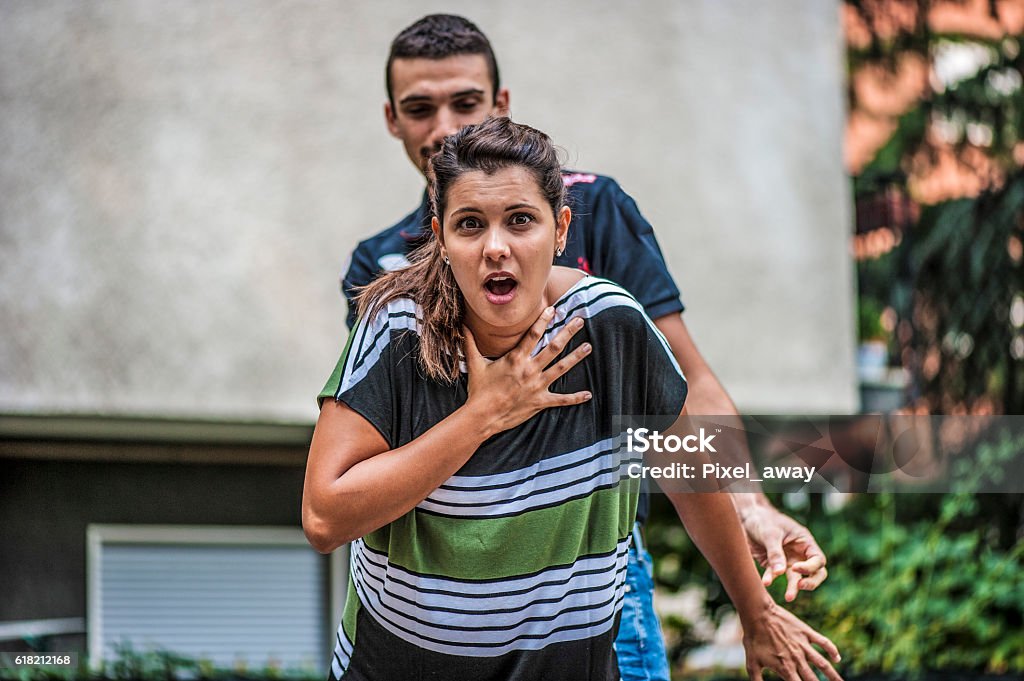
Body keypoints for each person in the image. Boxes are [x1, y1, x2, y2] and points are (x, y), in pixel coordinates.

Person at [339, 14, 829, 681]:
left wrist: (748, 502)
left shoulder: (595, 210)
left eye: (467, 103)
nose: (446, 127)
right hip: (441, 581)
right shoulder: (383, 270)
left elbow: (686, 385)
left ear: (501, 105)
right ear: (393, 119)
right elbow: (372, 458)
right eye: (422, 109)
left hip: (591, 566)